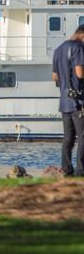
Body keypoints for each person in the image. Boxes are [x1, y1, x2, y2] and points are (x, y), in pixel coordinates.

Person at [52, 25, 84, 176]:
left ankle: (66, 168)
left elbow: (55, 76)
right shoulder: (78, 48)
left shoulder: (58, 49)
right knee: (82, 136)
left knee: (68, 138)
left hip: (64, 101)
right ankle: (81, 171)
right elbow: (80, 73)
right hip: (79, 101)